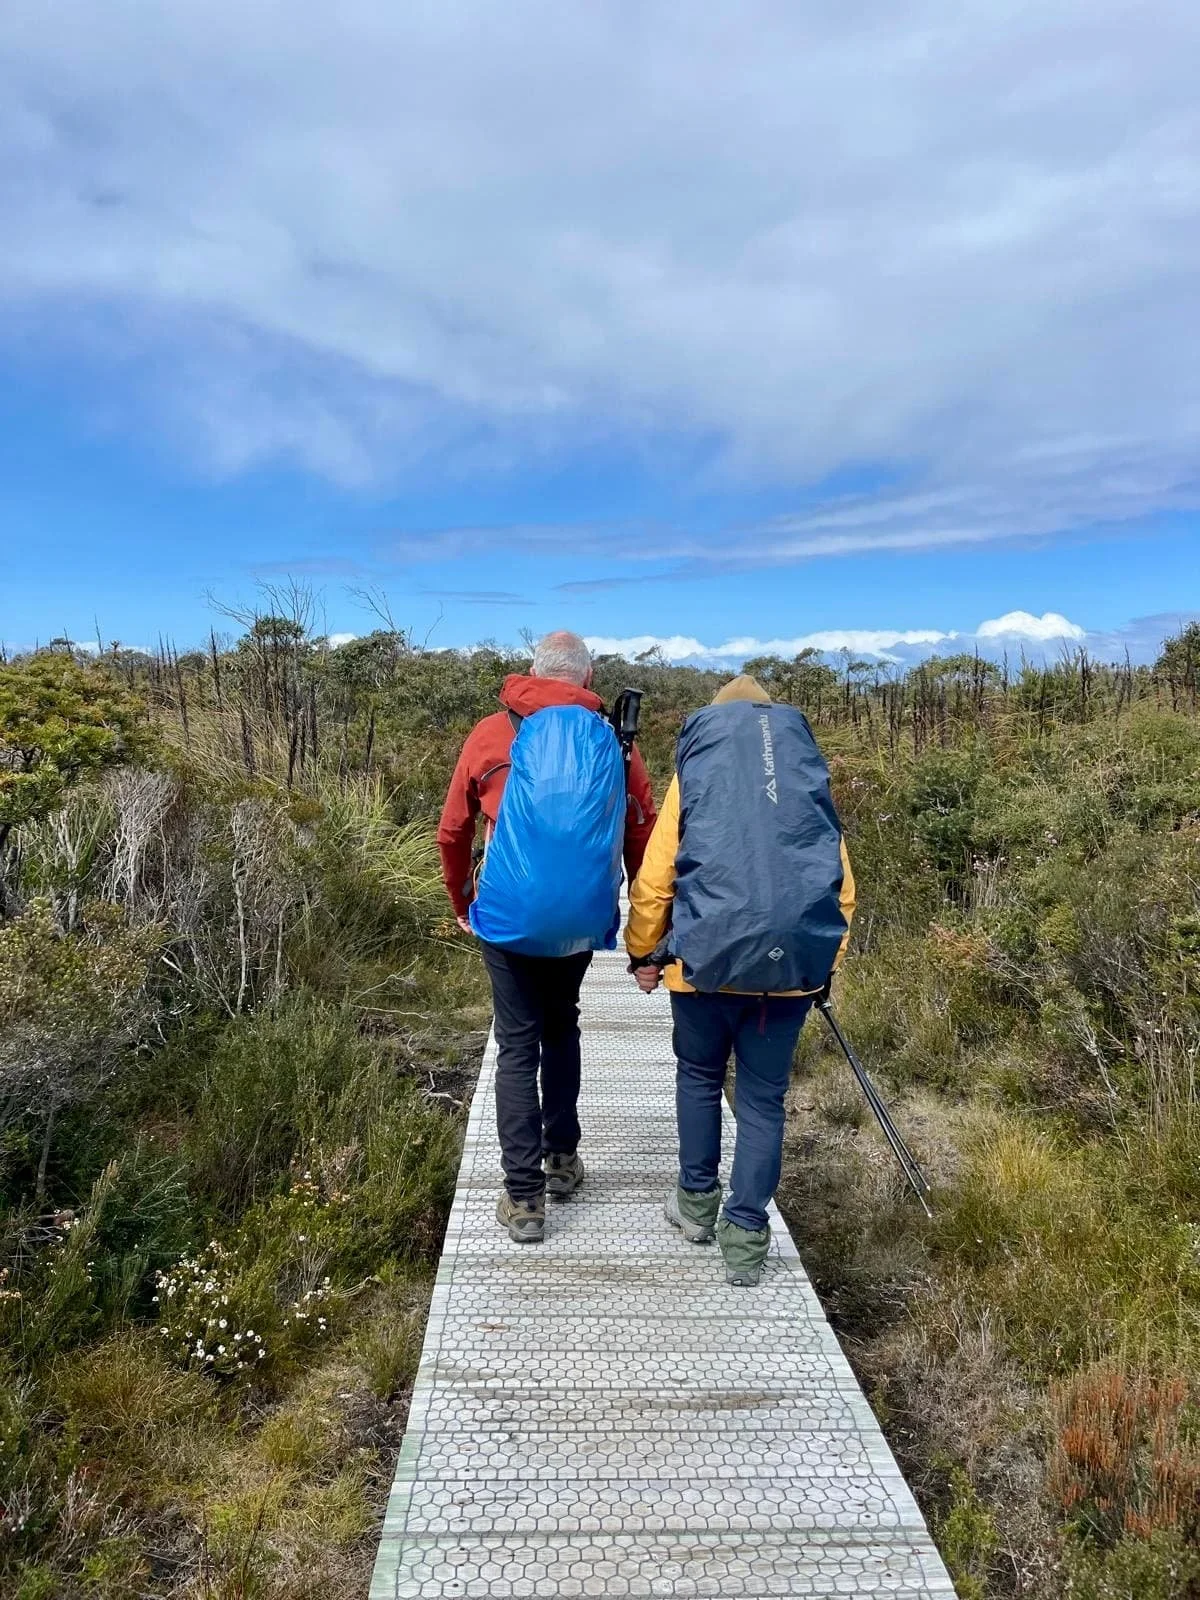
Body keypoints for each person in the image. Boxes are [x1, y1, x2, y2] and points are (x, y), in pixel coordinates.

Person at [625, 673, 855, 1286]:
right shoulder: (806, 779)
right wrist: (818, 966)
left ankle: (696, 1207)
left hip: (704, 970)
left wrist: (645, 953)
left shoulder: (695, 774)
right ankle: (747, 1239)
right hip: (788, 980)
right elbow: (841, 889)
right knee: (762, 1101)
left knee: (699, 1079)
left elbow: (656, 879)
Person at [438, 631, 656, 1244]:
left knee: (517, 1043)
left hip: (506, 916)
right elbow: (643, 833)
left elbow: (453, 832)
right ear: (587, 681)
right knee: (562, 1025)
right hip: (582, 917)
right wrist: (647, 922)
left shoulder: (490, 733)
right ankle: (561, 1160)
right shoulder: (616, 740)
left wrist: (463, 903)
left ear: (530, 672)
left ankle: (525, 1199)